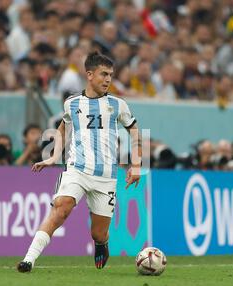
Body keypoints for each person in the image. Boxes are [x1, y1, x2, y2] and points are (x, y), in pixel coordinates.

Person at [17, 51, 142, 273]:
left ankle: (101, 244)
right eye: (104, 74)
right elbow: (64, 127)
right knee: (61, 208)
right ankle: (29, 259)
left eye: (111, 75)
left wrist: (137, 164)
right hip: (77, 169)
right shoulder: (72, 103)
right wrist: (54, 157)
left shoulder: (117, 104)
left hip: (105, 177)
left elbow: (134, 131)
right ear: (90, 75)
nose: (108, 79)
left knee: (98, 233)